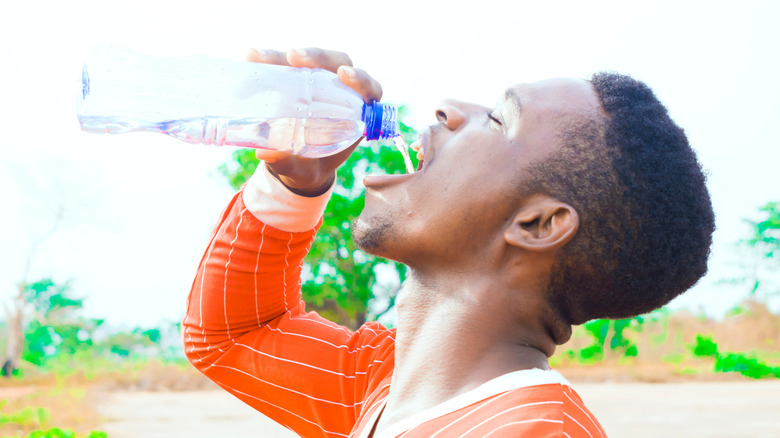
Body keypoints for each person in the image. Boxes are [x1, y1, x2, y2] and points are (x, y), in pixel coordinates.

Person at [183, 47, 714, 437]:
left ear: (537, 225)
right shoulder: (385, 388)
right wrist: (295, 183)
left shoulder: (534, 432)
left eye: (499, 118)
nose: (448, 108)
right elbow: (236, 336)